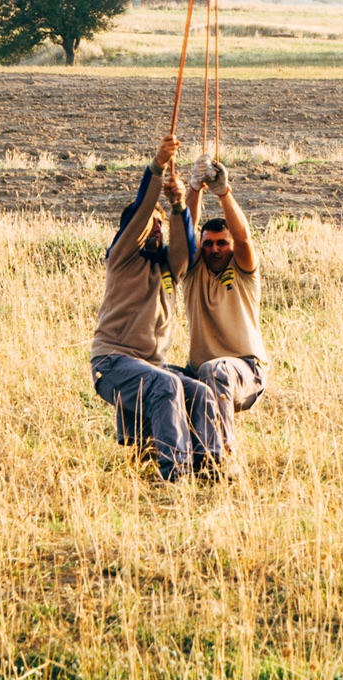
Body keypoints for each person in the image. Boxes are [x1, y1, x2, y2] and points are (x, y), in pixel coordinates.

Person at [89, 135, 217, 482]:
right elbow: (144, 208)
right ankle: (175, 473)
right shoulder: (122, 257)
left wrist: (178, 206)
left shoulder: (169, 268)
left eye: (161, 226)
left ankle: (213, 467)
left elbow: (185, 249)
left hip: (150, 366)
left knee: (201, 392)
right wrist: (158, 167)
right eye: (151, 225)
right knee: (166, 386)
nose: (156, 229)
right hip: (112, 364)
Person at [181, 161, 270, 447]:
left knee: (215, 370)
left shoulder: (244, 270)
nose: (214, 249)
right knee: (154, 377)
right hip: (199, 371)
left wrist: (223, 192)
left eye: (221, 243)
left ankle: (220, 456)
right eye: (208, 244)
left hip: (246, 371)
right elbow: (185, 235)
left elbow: (243, 237)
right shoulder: (194, 272)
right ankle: (161, 455)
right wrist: (193, 190)